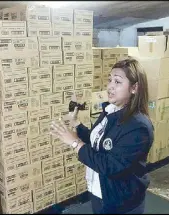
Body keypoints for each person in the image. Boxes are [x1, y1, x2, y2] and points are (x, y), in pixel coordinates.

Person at [51, 57, 154, 214]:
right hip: (100, 193)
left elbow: (110, 166)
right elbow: (98, 142)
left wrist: (75, 143)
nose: (110, 86)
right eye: (109, 80)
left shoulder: (138, 127)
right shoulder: (110, 111)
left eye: (117, 82)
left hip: (121, 203)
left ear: (134, 88)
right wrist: (77, 125)